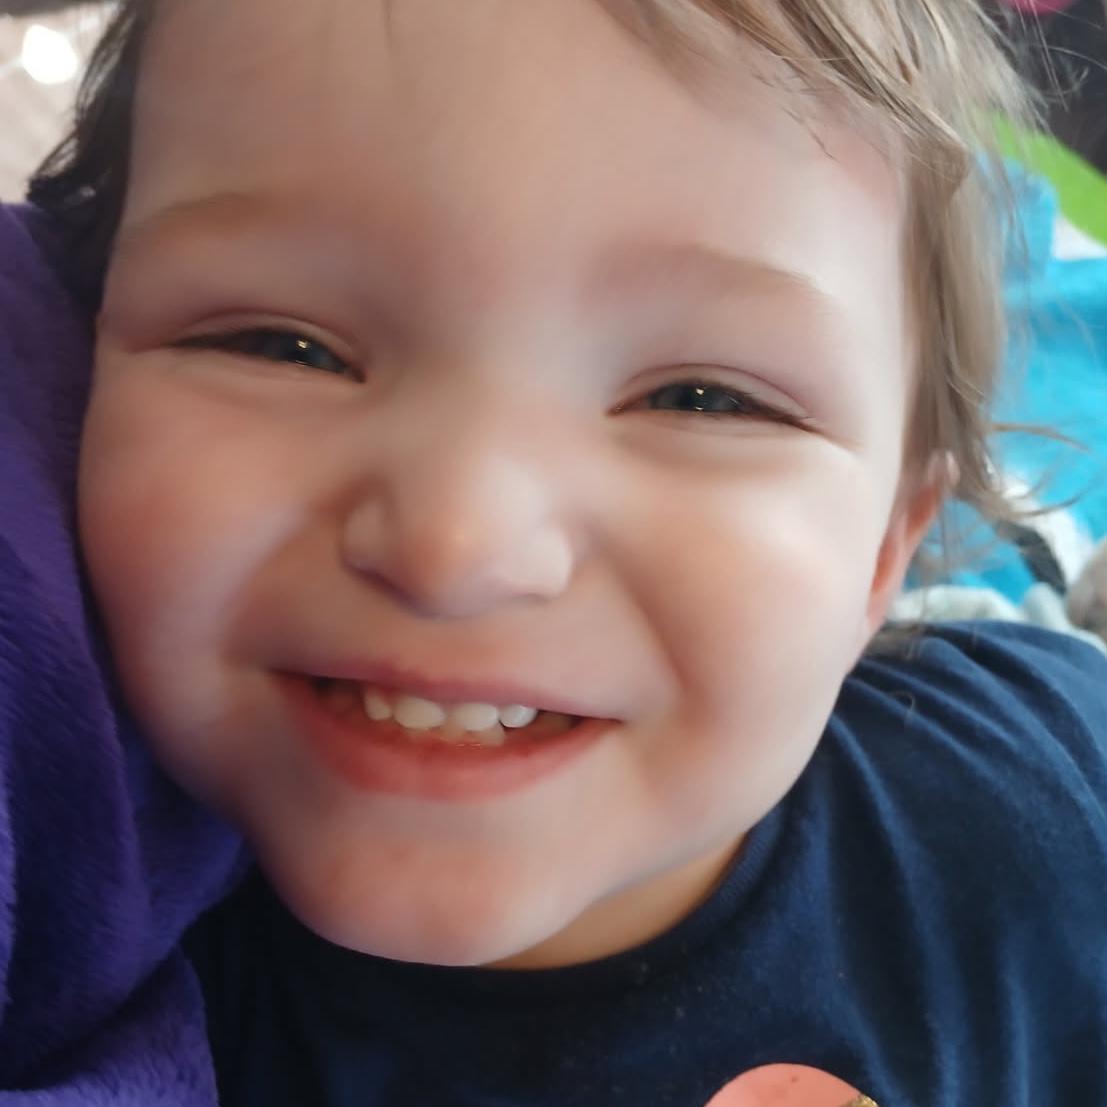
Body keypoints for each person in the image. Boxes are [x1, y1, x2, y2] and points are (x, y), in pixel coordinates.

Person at [2, 0, 1106, 1104]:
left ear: (884, 552)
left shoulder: (1046, 797)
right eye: (282, 346)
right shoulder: (80, 981)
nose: (456, 547)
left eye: (703, 399)